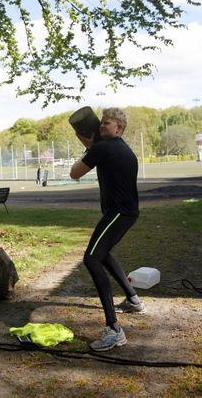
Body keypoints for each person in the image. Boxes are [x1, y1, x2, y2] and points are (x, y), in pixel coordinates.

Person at [70, 107, 146, 352]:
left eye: (107, 123)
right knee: (103, 254)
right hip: (127, 213)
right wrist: (94, 144)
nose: (103, 126)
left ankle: (114, 329)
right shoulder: (122, 147)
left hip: (118, 214)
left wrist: (91, 147)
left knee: (91, 258)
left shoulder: (103, 148)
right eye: (101, 123)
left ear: (119, 128)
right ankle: (134, 300)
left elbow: (74, 173)